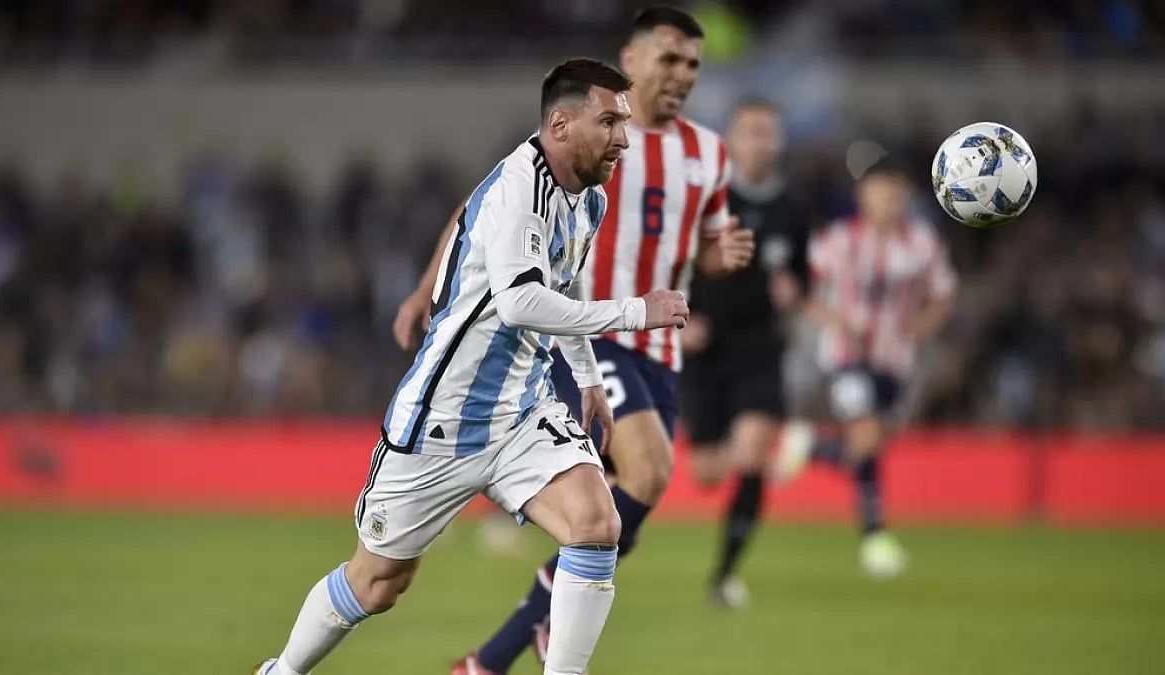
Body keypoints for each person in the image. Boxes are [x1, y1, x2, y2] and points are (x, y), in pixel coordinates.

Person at [252, 58, 693, 675]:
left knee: (596, 523)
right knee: (377, 584)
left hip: (522, 414)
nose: (623, 137)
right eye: (610, 121)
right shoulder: (518, 190)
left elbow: (559, 296)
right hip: (442, 422)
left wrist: (589, 378)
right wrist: (636, 311)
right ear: (561, 124)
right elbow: (520, 303)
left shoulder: (587, 198)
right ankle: (282, 671)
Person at [392, 7, 755, 674]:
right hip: (589, 328)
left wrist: (718, 255)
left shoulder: (710, 153)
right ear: (633, 59)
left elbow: (699, 247)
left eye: (694, 65)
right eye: (669, 59)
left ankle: (495, 656)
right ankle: (530, 636)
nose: (682, 75)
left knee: (619, 516)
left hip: (659, 350)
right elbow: (485, 206)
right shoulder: (592, 133)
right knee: (647, 471)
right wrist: (426, 284)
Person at [774, 157, 957, 579]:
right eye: (880, 189)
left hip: (895, 360)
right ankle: (876, 539)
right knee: (866, 434)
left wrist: (925, 321)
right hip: (845, 357)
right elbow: (797, 288)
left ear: (906, 197)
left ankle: (812, 447)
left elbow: (944, 293)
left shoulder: (923, 243)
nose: (888, 198)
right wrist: (834, 319)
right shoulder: (837, 241)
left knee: (868, 445)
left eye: (896, 191)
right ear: (863, 195)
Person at [680, 99, 811, 608]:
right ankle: (796, 456)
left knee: (752, 453)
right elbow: (669, 261)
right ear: (731, 140)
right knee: (708, 473)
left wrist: (794, 291)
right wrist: (682, 314)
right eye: (751, 131)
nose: (761, 141)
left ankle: (724, 577)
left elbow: (802, 274)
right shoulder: (704, 200)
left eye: (768, 132)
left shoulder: (794, 210)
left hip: (760, 347)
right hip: (706, 348)